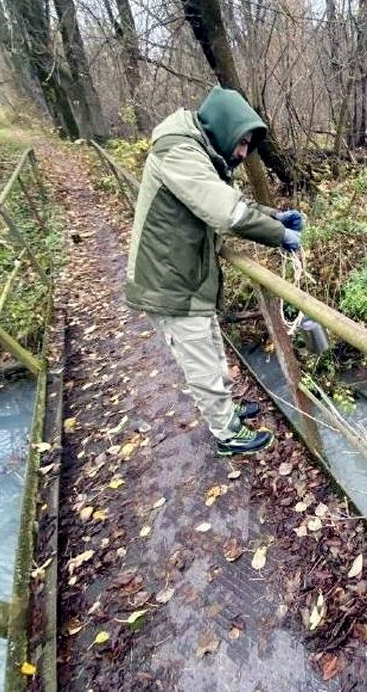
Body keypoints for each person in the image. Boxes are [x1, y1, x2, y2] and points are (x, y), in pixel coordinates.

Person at [125, 86, 304, 456]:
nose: (242, 153)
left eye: (247, 146)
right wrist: (279, 234)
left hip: (185, 273)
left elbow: (226, 200)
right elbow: (226, 213)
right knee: (202, 363)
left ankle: (227, 412)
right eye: (241, 143)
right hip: (169, 281)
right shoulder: (179, 150)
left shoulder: (200, 151)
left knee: (211, 347)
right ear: (224, 128)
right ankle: (227, 434)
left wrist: (274, 216)